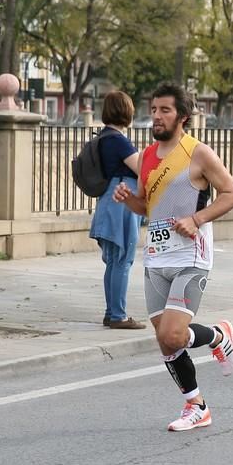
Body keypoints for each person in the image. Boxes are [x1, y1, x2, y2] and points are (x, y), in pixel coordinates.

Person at [113, 82, 233, 432]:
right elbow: (147, 206)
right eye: (153, 109)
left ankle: (217, 337)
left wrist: (197, 219)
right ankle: (197, 405)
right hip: (156, 258)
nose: (156, 116)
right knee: (164, 339)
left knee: (173, 335)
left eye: (165, 110)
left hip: (191, 256)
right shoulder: (145, 157)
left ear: (183, 116)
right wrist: (129, 200)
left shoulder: (198, 153)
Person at [89, 91, 145, 329]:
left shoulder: (104, 137)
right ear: (126, 111)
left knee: (114, 260)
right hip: (122, 200)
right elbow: (142, 168)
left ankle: (111, 312)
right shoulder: (119, 140)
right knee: (123, 258)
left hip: (109, 200)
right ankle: (118, 315)